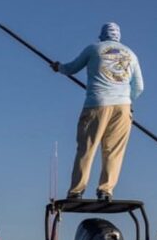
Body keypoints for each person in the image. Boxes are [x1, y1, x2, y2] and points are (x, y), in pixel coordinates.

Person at [51, 22, 144, 201]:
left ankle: (76, 191)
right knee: (114, 151)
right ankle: (105, 190)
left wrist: (59, 67)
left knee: (87, 147)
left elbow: (71, 68)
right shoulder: (131, 54)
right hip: (123, 107)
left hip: (97, 104)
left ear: (102, 35)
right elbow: (139, 87)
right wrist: (128, 101)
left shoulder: (94, 49)